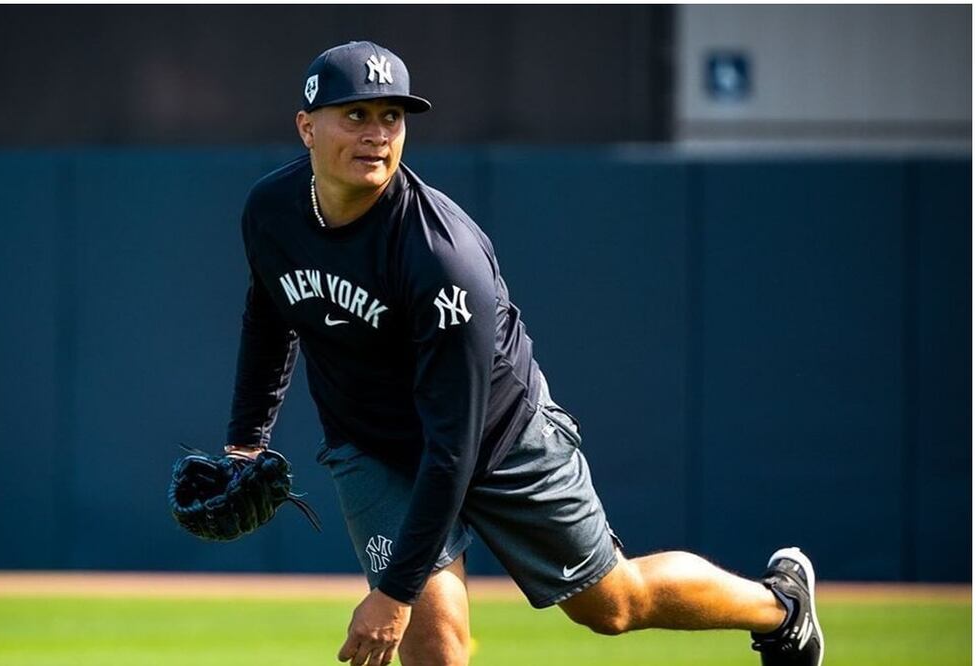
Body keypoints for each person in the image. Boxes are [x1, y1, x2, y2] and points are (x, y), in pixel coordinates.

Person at [224, 40, 824, 666]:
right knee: (435, 651)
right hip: (373, 446)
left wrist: (394, 594)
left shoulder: (441, 256)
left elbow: (452, 445)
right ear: (306, 127)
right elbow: (269, 315)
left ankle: (781, 606)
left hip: (497, 437)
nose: (377, 134)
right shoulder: (272, 211)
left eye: (391, 117)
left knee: (612, 604)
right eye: (356, 115)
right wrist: (245, 440)